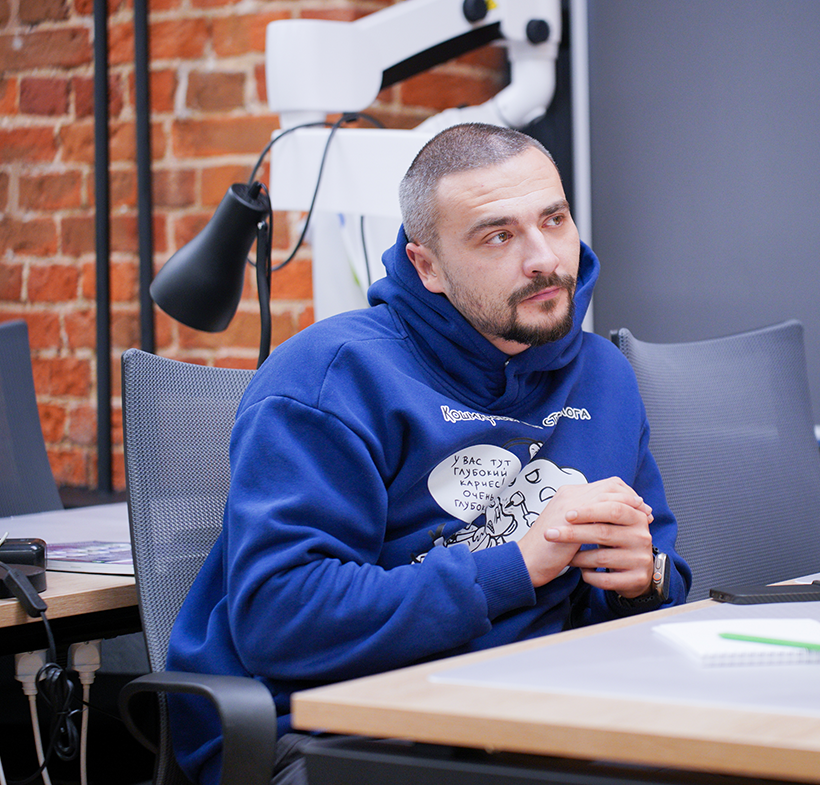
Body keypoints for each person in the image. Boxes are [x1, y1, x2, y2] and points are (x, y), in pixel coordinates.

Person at [166, 123, 691, 785]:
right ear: (427, 266)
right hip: (341, 732)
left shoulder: (603, 375)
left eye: (554, 220)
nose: (544, 258)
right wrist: (515, 566)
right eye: (497, 236)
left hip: (538, 709)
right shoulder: (330, 377)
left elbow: (658, 575)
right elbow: (281, 616)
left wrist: (643, 580)